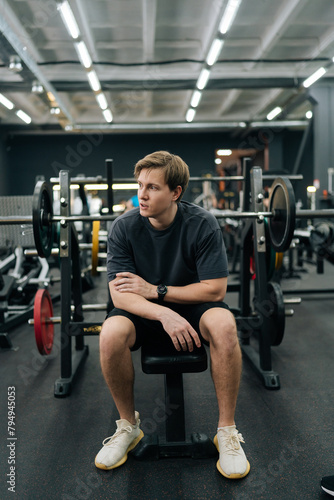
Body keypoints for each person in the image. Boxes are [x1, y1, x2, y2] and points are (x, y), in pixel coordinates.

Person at [95, 151, 250, 479]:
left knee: (224, 324)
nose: (142, 194)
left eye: (152, 187)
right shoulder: (123, 227)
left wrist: (157, 291)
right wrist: (163, 313)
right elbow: (119, 293)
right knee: (109, 332)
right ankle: (128, 427)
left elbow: (215, 290)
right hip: (144, 312)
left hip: (190, 308)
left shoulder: (202, 223)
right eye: (139, 185)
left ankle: (226, 432)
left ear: (176, 192)